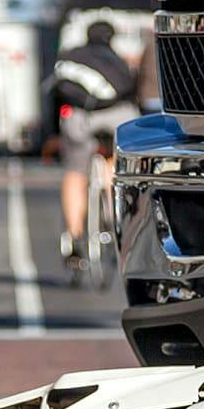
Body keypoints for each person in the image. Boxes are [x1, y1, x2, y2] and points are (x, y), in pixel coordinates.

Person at [48, 21, 138, 264]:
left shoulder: (71, 58)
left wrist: (53, 134)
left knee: (75, 172)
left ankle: (75, 239)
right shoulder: (117, 60)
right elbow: (132, 92)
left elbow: (56, 93)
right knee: (114, 160)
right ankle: (113, 217)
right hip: (114, 116)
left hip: (78, 117)